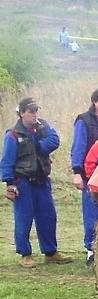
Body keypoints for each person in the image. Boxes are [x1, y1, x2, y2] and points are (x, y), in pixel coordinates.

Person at [1, 98, 72, 267]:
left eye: (36, 111)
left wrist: (39, 145)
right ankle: (25, 254)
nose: (34, 114)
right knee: (24, 218)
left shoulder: (42, 127)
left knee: (48, 216)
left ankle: (50, 252)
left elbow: (55, 140)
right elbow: (7, 161)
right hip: (22, 182)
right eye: (31, 111)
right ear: (22, 113)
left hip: (42, 180)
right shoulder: (13, 135)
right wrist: (9, 183)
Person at [71, 88, 98, 264]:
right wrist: (77, 173)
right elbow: (78, 147)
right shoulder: (84, 121)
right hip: (91, 174)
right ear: (94, 102)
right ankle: (91, 250)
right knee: (92, 213)